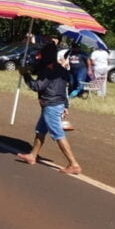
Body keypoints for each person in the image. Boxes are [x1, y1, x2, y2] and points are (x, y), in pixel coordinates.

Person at [16, 42, 82, 175]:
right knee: (40, 130)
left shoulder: (48, 69)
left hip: (51, 105)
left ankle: (73, 164)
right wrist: (66, 105)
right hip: (56, 103)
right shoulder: (61, 68)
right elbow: (65, 88)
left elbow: (37, 86)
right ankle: (32, 155)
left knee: (58, 134)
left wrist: (25, 75)